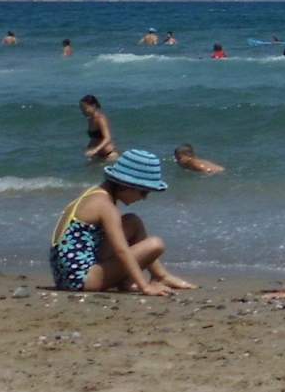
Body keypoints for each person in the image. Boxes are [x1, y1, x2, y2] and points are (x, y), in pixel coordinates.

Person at [46, 149, 195, 295]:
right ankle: (149, 279)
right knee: (155, 244)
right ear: (125, 185)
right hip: (82, 280)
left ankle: (159, 276)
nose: (144, 198)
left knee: (133, 221)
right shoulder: (106, 206)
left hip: (66, 276)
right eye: (143, 192)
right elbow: (121, 250)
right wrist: (145, 287)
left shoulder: (94, 194)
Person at [80, 94, 118, 163]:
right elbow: (94, 138)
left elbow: (108, 138)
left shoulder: (100, 119)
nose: (83, 111)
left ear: (93, 106)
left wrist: (95, 150)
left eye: (85, 109)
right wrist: (88, 148)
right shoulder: (90, 119)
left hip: (109, 155)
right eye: (81, 109)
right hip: (97, 155)